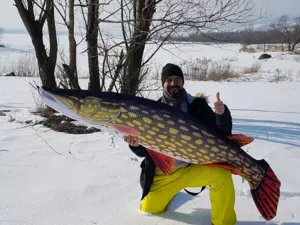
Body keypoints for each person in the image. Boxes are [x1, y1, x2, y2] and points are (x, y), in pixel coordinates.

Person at [124, 63, 236, 225]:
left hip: (192, 168)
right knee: (149, 211)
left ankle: (224, 222)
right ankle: (172, 193)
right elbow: (145, 152)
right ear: (163, 83)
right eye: (168, 80)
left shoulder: (198, 105)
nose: (173, 83)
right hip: (164, 173)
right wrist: (135, 145)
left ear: (183, 82)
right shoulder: (151, 110)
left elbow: (221, 135)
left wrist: (222, 115)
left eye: (177, 79)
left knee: (222, 176)